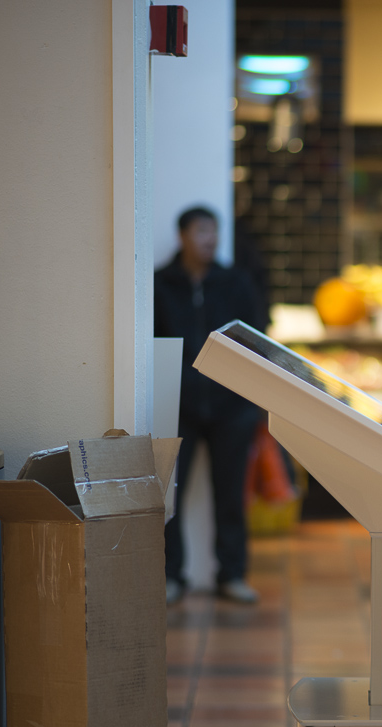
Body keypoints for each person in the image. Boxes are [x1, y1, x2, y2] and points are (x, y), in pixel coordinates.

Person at [155, 206, 267, 605]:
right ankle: (171, 576)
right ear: (182, 235)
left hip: (231, 406)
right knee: (170, 496)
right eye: (202, 231)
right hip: (179, 406)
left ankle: (231, 575)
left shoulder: (235, 282)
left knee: (231, 495)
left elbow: (256, 338)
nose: (210, 239)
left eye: (214, 231)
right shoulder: (159, 284)